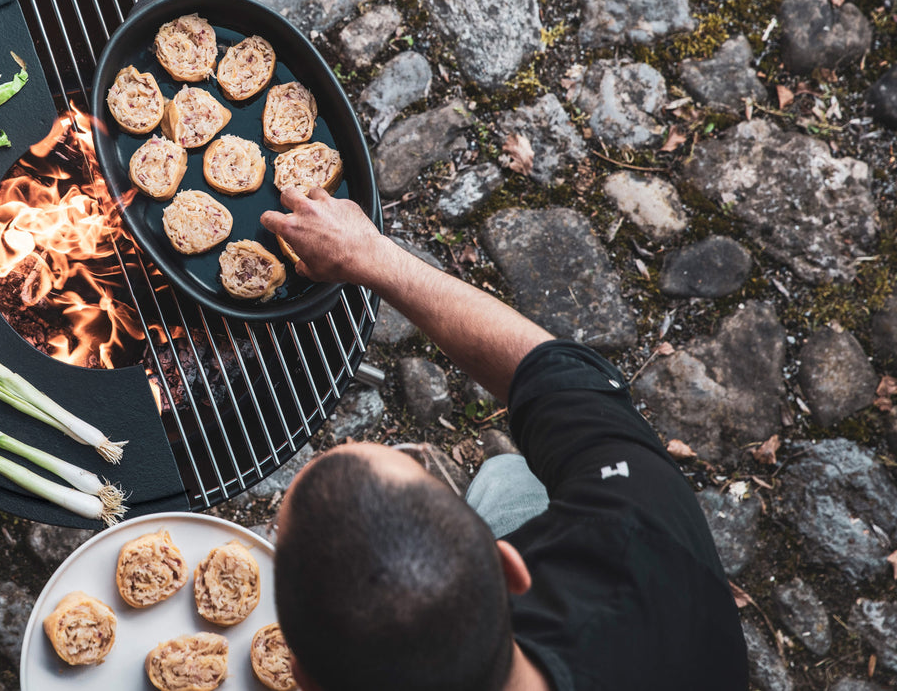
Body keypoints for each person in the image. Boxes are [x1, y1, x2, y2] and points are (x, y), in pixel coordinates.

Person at [259, 187, 749, 691]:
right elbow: (551, 371)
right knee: (508, 476)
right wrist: (373, 255)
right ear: (509, 566)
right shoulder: (640, 529)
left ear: (299, 679)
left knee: (505, 482)